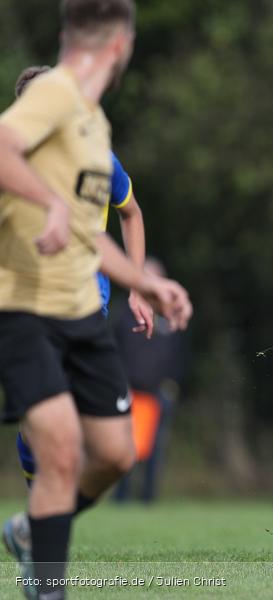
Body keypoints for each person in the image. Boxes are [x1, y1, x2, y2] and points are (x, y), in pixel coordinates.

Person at [0, 2, 192, 599]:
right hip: (25, 308)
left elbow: (95, 231)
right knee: (57, 451)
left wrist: (141, 282)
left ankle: (33, 529)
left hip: (84, 310)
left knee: (114, 455)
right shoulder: (55, 93)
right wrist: (48, 202)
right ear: (123, 46)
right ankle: (48, 587)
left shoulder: (93, 125)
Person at [9, 64, 155, 492]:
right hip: (25, 301)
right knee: (49, 416)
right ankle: (42, 512)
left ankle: (41, 511)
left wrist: (139, 287)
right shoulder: (10, 159)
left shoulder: (97, 158)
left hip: (88, 301)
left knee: (100, 441)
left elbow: (132, 215)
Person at [112, 257, 188, 503]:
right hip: (129, 392)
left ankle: (148, 498)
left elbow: (179, 354)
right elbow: (114, 351)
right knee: (124, 449)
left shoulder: (170, 318)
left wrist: (172, 384)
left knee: (155, 450)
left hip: (158, 394)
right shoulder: (123, 316)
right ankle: (120, 499)